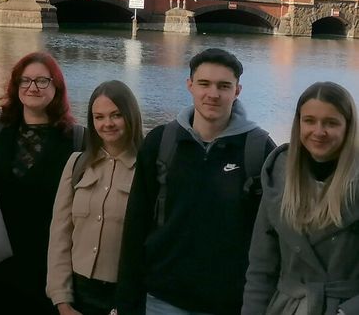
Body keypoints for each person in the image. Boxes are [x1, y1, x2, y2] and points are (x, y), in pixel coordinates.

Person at [117, 48, 276, 315]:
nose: (212, 94)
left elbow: (271, 237)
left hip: (229, 304)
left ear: (237, 91)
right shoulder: (161, 143)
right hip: (162, 300)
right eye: (204, 84)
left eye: (223, 86)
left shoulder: (259, 151)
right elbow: (135, 225)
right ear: (190, 86)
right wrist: (126, 302)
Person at [0, 52, 84, 315]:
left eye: (42, 81)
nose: (32, 87)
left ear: (56, 87)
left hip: (45, 272)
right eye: (25, 81)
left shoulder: (74, 141)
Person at [243, 82, 359, 315]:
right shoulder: (278, 175)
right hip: (286, 307)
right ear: (298, 124)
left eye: (331, 123)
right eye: (309, 121)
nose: (318, 132)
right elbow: (260, 268)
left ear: (348, 127)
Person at [47, 81, 144, 315]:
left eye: (116, 115)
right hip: (79, 293)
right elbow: (60, 235)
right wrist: (62, 300)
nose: (107, 123)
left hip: (125, 294)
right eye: (99, 117)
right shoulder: (76, 165)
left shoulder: (147, 168)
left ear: (130, 116)